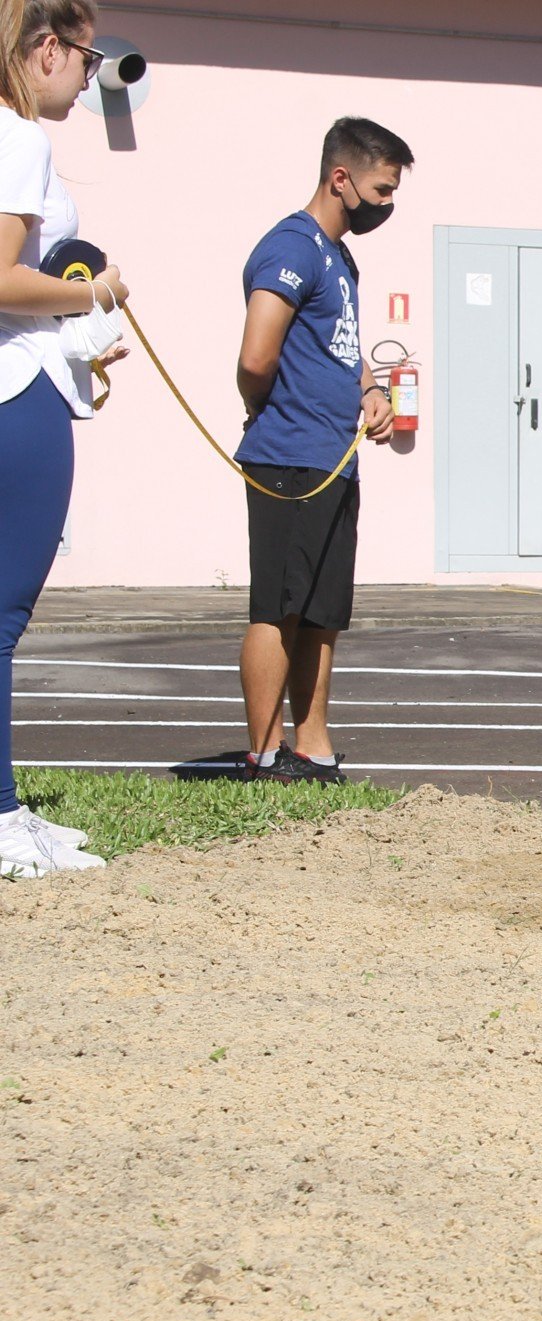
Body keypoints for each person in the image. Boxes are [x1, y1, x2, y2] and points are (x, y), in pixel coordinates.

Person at [234, 116, 411, 784]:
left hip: (334, 458)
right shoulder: (292, 247)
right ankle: (262, 751)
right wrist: (264, 406)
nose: (387, 204)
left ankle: (310, 744)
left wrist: (369, 391)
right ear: (342, 178)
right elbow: (257, 355)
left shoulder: (340, 257)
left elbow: (341, 345)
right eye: (381, 189)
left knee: (322, 613)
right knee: (278, 608)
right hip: (288, 460)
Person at [0, 0, 127, 876]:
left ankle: (7, 805)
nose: (90, 77)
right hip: (17, 394)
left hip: (25, 381)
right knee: (3, 616)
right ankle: (2, 816)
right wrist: (98, 292)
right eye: (87, 59)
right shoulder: (20, 139)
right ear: (47, 48)